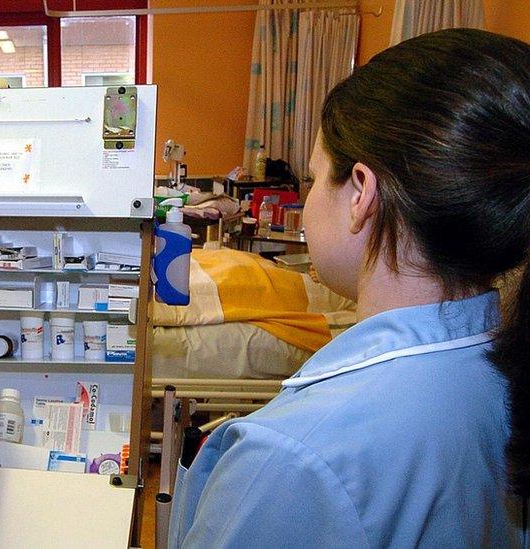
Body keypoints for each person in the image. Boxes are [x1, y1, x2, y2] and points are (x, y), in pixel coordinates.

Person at [168, 28, 529, 547]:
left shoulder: (294, 460)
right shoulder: (499, 376)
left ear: (361, 192)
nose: (309, 201)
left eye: (315, 180)